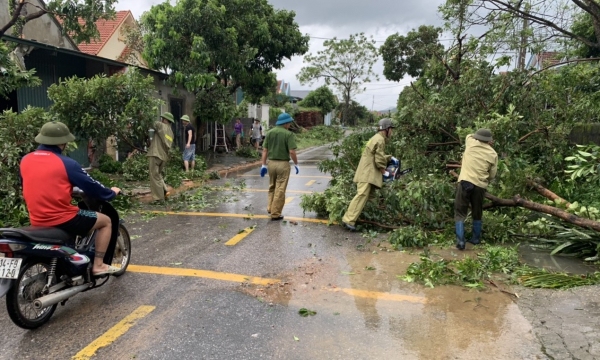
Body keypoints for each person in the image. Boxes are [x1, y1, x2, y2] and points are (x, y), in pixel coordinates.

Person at [20, 121, 121, 276]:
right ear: (62, 142)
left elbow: (35, 184)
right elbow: (92, 186)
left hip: (37, 219)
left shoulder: (25, 160)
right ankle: (99, 265)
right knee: (106, 221)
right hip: (63, 219)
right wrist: (111, 193)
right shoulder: (67, 163)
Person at [342, 118, 397, 231]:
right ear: (386, 129)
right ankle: (348, 220)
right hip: (367, 174)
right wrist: (384, 172)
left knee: (371, 198)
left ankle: (374, 218)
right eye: (391, 129)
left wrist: (390, 158)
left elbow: (375, 155)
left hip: (368, 173)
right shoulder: (380, 139)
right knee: (361, 195)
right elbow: (378, 159)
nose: (392, 132)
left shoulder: (377, 138)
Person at [454, 128, 498, 250]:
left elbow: (469, 134)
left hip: (465, 182)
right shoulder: (493, 154)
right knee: (477, 212)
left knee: (460, 212)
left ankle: (461, 242)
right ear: (489, 141)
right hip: (480, 185)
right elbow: (492, 175)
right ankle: (475, 239)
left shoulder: (470, 142)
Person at [260, 113, 299, 221]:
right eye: (289, 122)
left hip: (271, 164)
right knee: (280, 189)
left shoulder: (270, 133)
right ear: (285, 123)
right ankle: (275, 213)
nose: (290, 124)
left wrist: (263, 164)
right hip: (283, 164)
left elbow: (264, 150)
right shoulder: (288, 134)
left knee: (272, 186)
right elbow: (292, 151)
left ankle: (270, 207)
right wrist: (296, 164)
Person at [147, 112, 174, 203]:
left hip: (155, 154)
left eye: (163, 118)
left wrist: (142, 113)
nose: (161, 120)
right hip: (163, 156)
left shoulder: (161, 125)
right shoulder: (170, 132)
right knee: (158, 174)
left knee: (154, 175)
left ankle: (159, 198)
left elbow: (150, 122)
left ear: (166, 120)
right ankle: (165, 190)